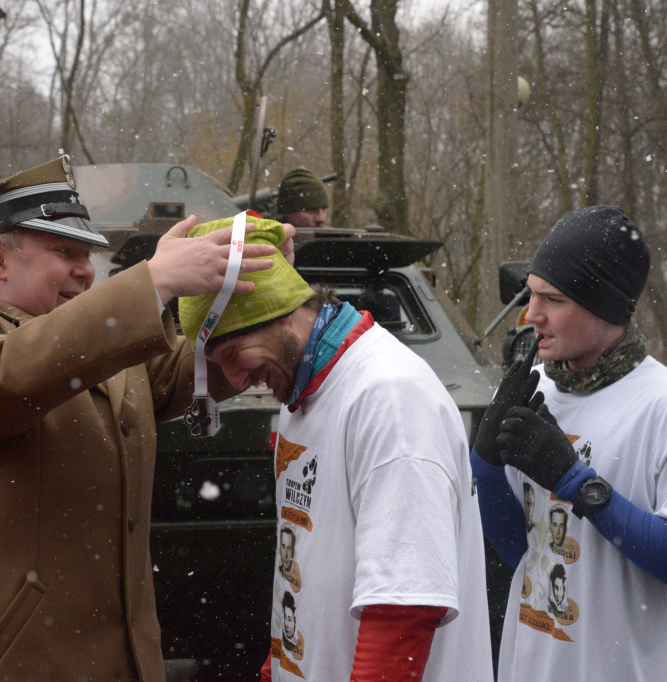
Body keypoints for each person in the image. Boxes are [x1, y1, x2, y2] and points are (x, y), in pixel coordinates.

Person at [0, 157, 288, 681]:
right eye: (65, 252)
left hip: (112, 660)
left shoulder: (95, 339)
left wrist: (251, 293)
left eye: (87, 254)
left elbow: (181, 373)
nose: (86, 270)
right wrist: (152, 282)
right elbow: (0, 380)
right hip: (4, 663)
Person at [179, 215, 493, 681]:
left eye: (231, 355)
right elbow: (301, 573)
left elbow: (403, 608)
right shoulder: (302, 389)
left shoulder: (389, 399)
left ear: (279, 312)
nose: (236, 381)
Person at [470, 205, 667, 681]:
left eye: (553, 299)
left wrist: (577, 483)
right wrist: (485, 463)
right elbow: (521, 553)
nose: (531, 314)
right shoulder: (533, 390)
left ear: (604, 306)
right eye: (531, 294)